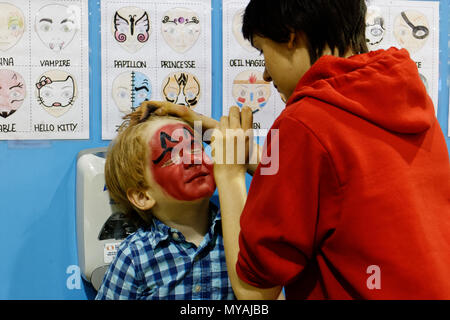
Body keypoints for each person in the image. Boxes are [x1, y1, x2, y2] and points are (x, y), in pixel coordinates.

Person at [141, 0, 450, 300]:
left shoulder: (305, 122)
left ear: (290, 36)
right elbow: (324, 182)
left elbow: (254, 293)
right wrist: (210, 131)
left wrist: (230, 174)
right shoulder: (401, 93)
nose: (265, 74)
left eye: (263, 52)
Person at [95, 109, 235, 300]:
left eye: (195, 148)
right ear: (143, 196)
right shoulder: (135, 256)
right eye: (171, 157)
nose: (192, 159)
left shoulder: (236, 236)